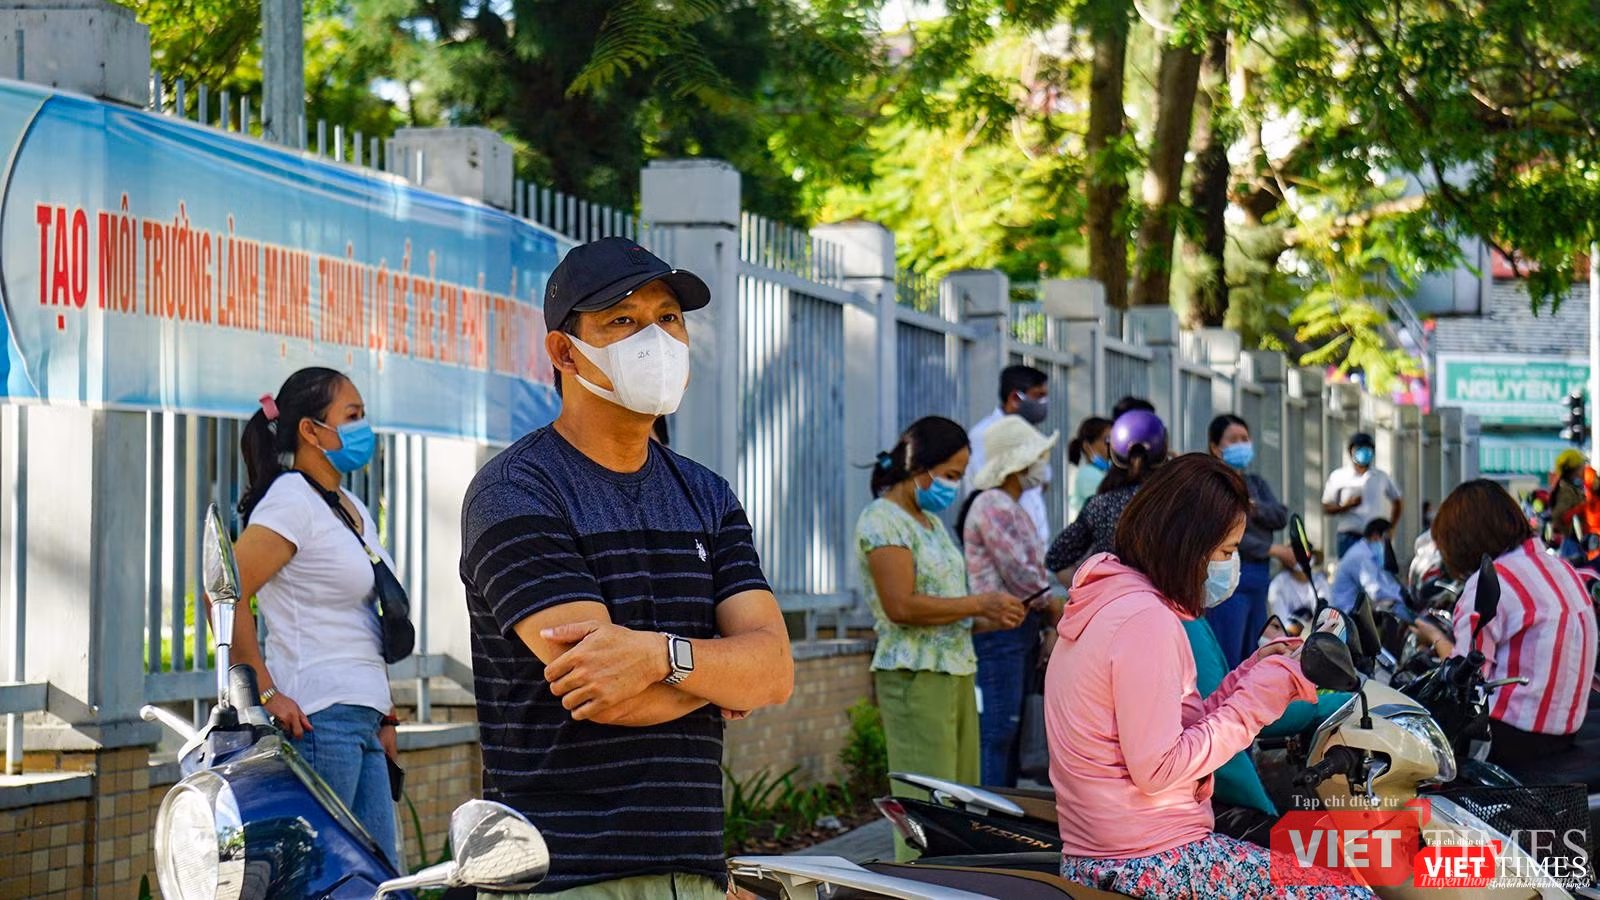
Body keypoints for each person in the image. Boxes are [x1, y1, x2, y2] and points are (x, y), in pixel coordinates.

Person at [460, 237, 794, 898]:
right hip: (563, 875)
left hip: (692, 870)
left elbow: (776, 672)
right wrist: (722, 674)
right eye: (623, 320)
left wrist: (658, 656)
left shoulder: (707, 495)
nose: (656, 340)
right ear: (564, 352)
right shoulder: (516, 491)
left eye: (668, 318)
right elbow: (609, 692)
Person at [1046, 454, 1370, 899]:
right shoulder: (1145, 620)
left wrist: (1249, 676)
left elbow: (1175, 729)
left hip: (1115, 850)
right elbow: (1159, 768)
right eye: (1226, 552)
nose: (1229, 567)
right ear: (1189, 545)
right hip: (1144, 858)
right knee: (1350, 894)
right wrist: (1258, 699)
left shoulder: (1112, 599)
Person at [226, 367, 402, 870]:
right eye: (352, 415)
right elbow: (227, 592)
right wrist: (263, 691)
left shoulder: (350, 507)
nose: (364, 427)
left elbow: (363, 618)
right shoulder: (291, 501)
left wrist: (385, 712)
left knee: (377, 879)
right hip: (319, 718)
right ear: (310, 430)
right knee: (323, 877)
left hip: (362, 718)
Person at [857, 415, 1026, 859]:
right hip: (915, 675)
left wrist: (991, 616)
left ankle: (952, 878)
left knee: (958, 799)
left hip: (956, 670)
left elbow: (948, 605)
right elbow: (901, 606)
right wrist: (978, 604)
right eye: (950, 474)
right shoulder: (882, 520)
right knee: (925, 803)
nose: (954, 486)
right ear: (920, 467)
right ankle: (918, 880)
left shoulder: (931, 523)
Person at [1411, 480, 1597, 768]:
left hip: (1513, 738)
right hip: (1564, 732)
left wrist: (1434, 637)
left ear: (1463, 539)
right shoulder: (1563, 569)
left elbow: (1465, 679)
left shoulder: (1491, 581)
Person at [957, 415, 1060, 788]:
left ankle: (1004, 802)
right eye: (1037, 458)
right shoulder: (993, 505)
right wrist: (1053, 606)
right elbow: (1020, 570)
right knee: (1000, 731)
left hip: (1018, 627)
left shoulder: (1009, 505)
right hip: (1001, 630)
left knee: (1011, 732)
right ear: (1019, 464)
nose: (1042, 466)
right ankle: (990, 808)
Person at [1204, 415, 1289, 669]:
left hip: (1259, 579)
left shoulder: (1255, 483)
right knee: (1228, 654)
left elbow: (1280, 515)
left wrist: (1252, 507)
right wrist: (1270, 548)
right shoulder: (1213, 484)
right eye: (1233, 439)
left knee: (1254, 655)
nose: (1241, 444)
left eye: (1245, 438)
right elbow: (1224, 532)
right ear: (1215, 447)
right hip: (1230, 580)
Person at [1046, 409, 1167, 584]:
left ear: (1113, 452)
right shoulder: (1176, 503)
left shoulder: (1099, 505)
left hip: (1111, 598)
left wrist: (1093, 591)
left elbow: (1057, 557)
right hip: (1164, 601)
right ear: (1163, 452)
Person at [968, 365, 1052, 543]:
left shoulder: (1032, 433)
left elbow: (1041, 482)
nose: (1044, 403)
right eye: (1038, 396)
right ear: (1014, 398)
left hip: (1033, 542)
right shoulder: (985, 435)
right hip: (1004, 539)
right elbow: (986, 486)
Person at [1322, 433, 1402, 558]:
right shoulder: (1338, 476)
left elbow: (1397, 500)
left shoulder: (1381, 477)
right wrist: (1346, 506)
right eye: (1359, 449)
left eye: (1367, 449)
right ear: (1350, 451)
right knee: (1350, 568)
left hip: (1375, 537)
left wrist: (1391, 526)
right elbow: (1326, 507)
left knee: (1375, 568)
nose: (1364, 453)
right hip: (1348, 537)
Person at [1329, 518, 1403, 614]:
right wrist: (1400, 598)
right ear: (1375, 536)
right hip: (1345, 613)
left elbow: (1383, 582)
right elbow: (1375, 591)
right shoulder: (1361, 556)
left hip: (1351, 611)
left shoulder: (1367, 553)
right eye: (1387, 540)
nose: (1388, 545)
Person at [1268, 548, 1329, 632]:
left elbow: (1324, 616)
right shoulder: (1278, 583)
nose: (1302, 558)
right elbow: (1282, 623)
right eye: (1298, 555)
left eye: (1306, 555)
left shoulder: (1320, 581)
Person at [1066, 416, 1113, 522]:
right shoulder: (1089, 474)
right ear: (1087, 446)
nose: (1112, 446)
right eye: (1107, 440)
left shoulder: (1102, 472)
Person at [1549, 449, 1587, 559]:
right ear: (1573, 471)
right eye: (1581, 467)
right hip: (1573, 545)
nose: (1583, 470)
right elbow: (1558, 517)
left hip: (1577, 542)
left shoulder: (1574, 489)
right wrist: (1571, 530)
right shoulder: (1566, 492)